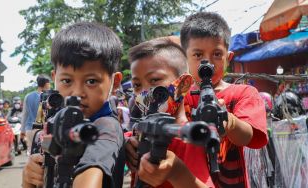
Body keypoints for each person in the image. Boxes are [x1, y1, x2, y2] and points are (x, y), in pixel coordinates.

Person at [138, 12, 268, 188]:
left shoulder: (243, 93)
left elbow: (249, 137)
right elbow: (148, 115)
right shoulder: (178, 94)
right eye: (198, 55)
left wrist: (229, 121)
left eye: (216, 54)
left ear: (228, 58)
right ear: (184, 58)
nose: (207, 63)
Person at [22, 21, 125, 188]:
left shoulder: (106, 127)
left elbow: (90, 175)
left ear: (116, 81)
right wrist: (29, 178)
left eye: (91, 81)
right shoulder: (54, 123)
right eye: (67, 80)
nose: (77, 92)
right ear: (54, 78)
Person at [125, 37, 207, 188]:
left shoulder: (191, 138)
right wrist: (125, 145)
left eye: (154, 80)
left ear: (183, 85)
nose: (144, 92)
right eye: (137, 85)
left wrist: (177, 173)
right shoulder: (137, 134)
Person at [20, 74, 50, 155]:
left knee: (31, 152)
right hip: (44, 130)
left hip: (29, 129)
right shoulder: (49, 96)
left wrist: (22, 131)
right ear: (46, 84)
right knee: (45, 152)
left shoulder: (28, 96)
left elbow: (25, 114)